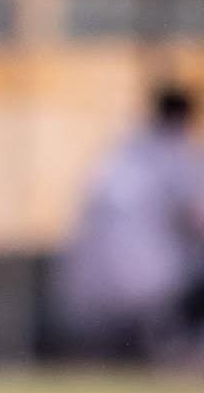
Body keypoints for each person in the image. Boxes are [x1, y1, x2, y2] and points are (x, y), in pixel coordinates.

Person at [53, 85, 204, 363]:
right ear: (185, 118)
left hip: (83, 280)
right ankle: (179, 349)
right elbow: (196, 218)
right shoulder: (178, 153)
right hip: (150, 282)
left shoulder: (123, 148)